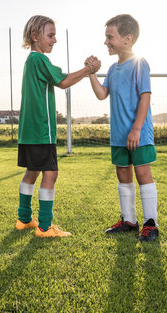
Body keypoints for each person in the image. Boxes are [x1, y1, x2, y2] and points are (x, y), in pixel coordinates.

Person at [16, 15, 101, 238]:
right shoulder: (39, 60)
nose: (54, 40)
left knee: (32, 171)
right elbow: (63, 81)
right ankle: (45, 227)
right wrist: (88, 69)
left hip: (28, 131)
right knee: (51, 173)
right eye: (50, 35)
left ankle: (23, 219)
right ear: (35, 36)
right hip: (42, 131)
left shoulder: (31, 61)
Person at [88, 14, 159, 242]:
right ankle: (129, 220)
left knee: (142, 173)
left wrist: (137, 128)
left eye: (110, 37)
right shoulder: (111, 69)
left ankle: (151, 224)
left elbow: (145, 97)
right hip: (119, 135)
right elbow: (101, 94)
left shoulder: (139, 64)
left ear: (127, 39)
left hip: (138, 134)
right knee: (122, 174)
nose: (106, 41)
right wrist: (91, 73)